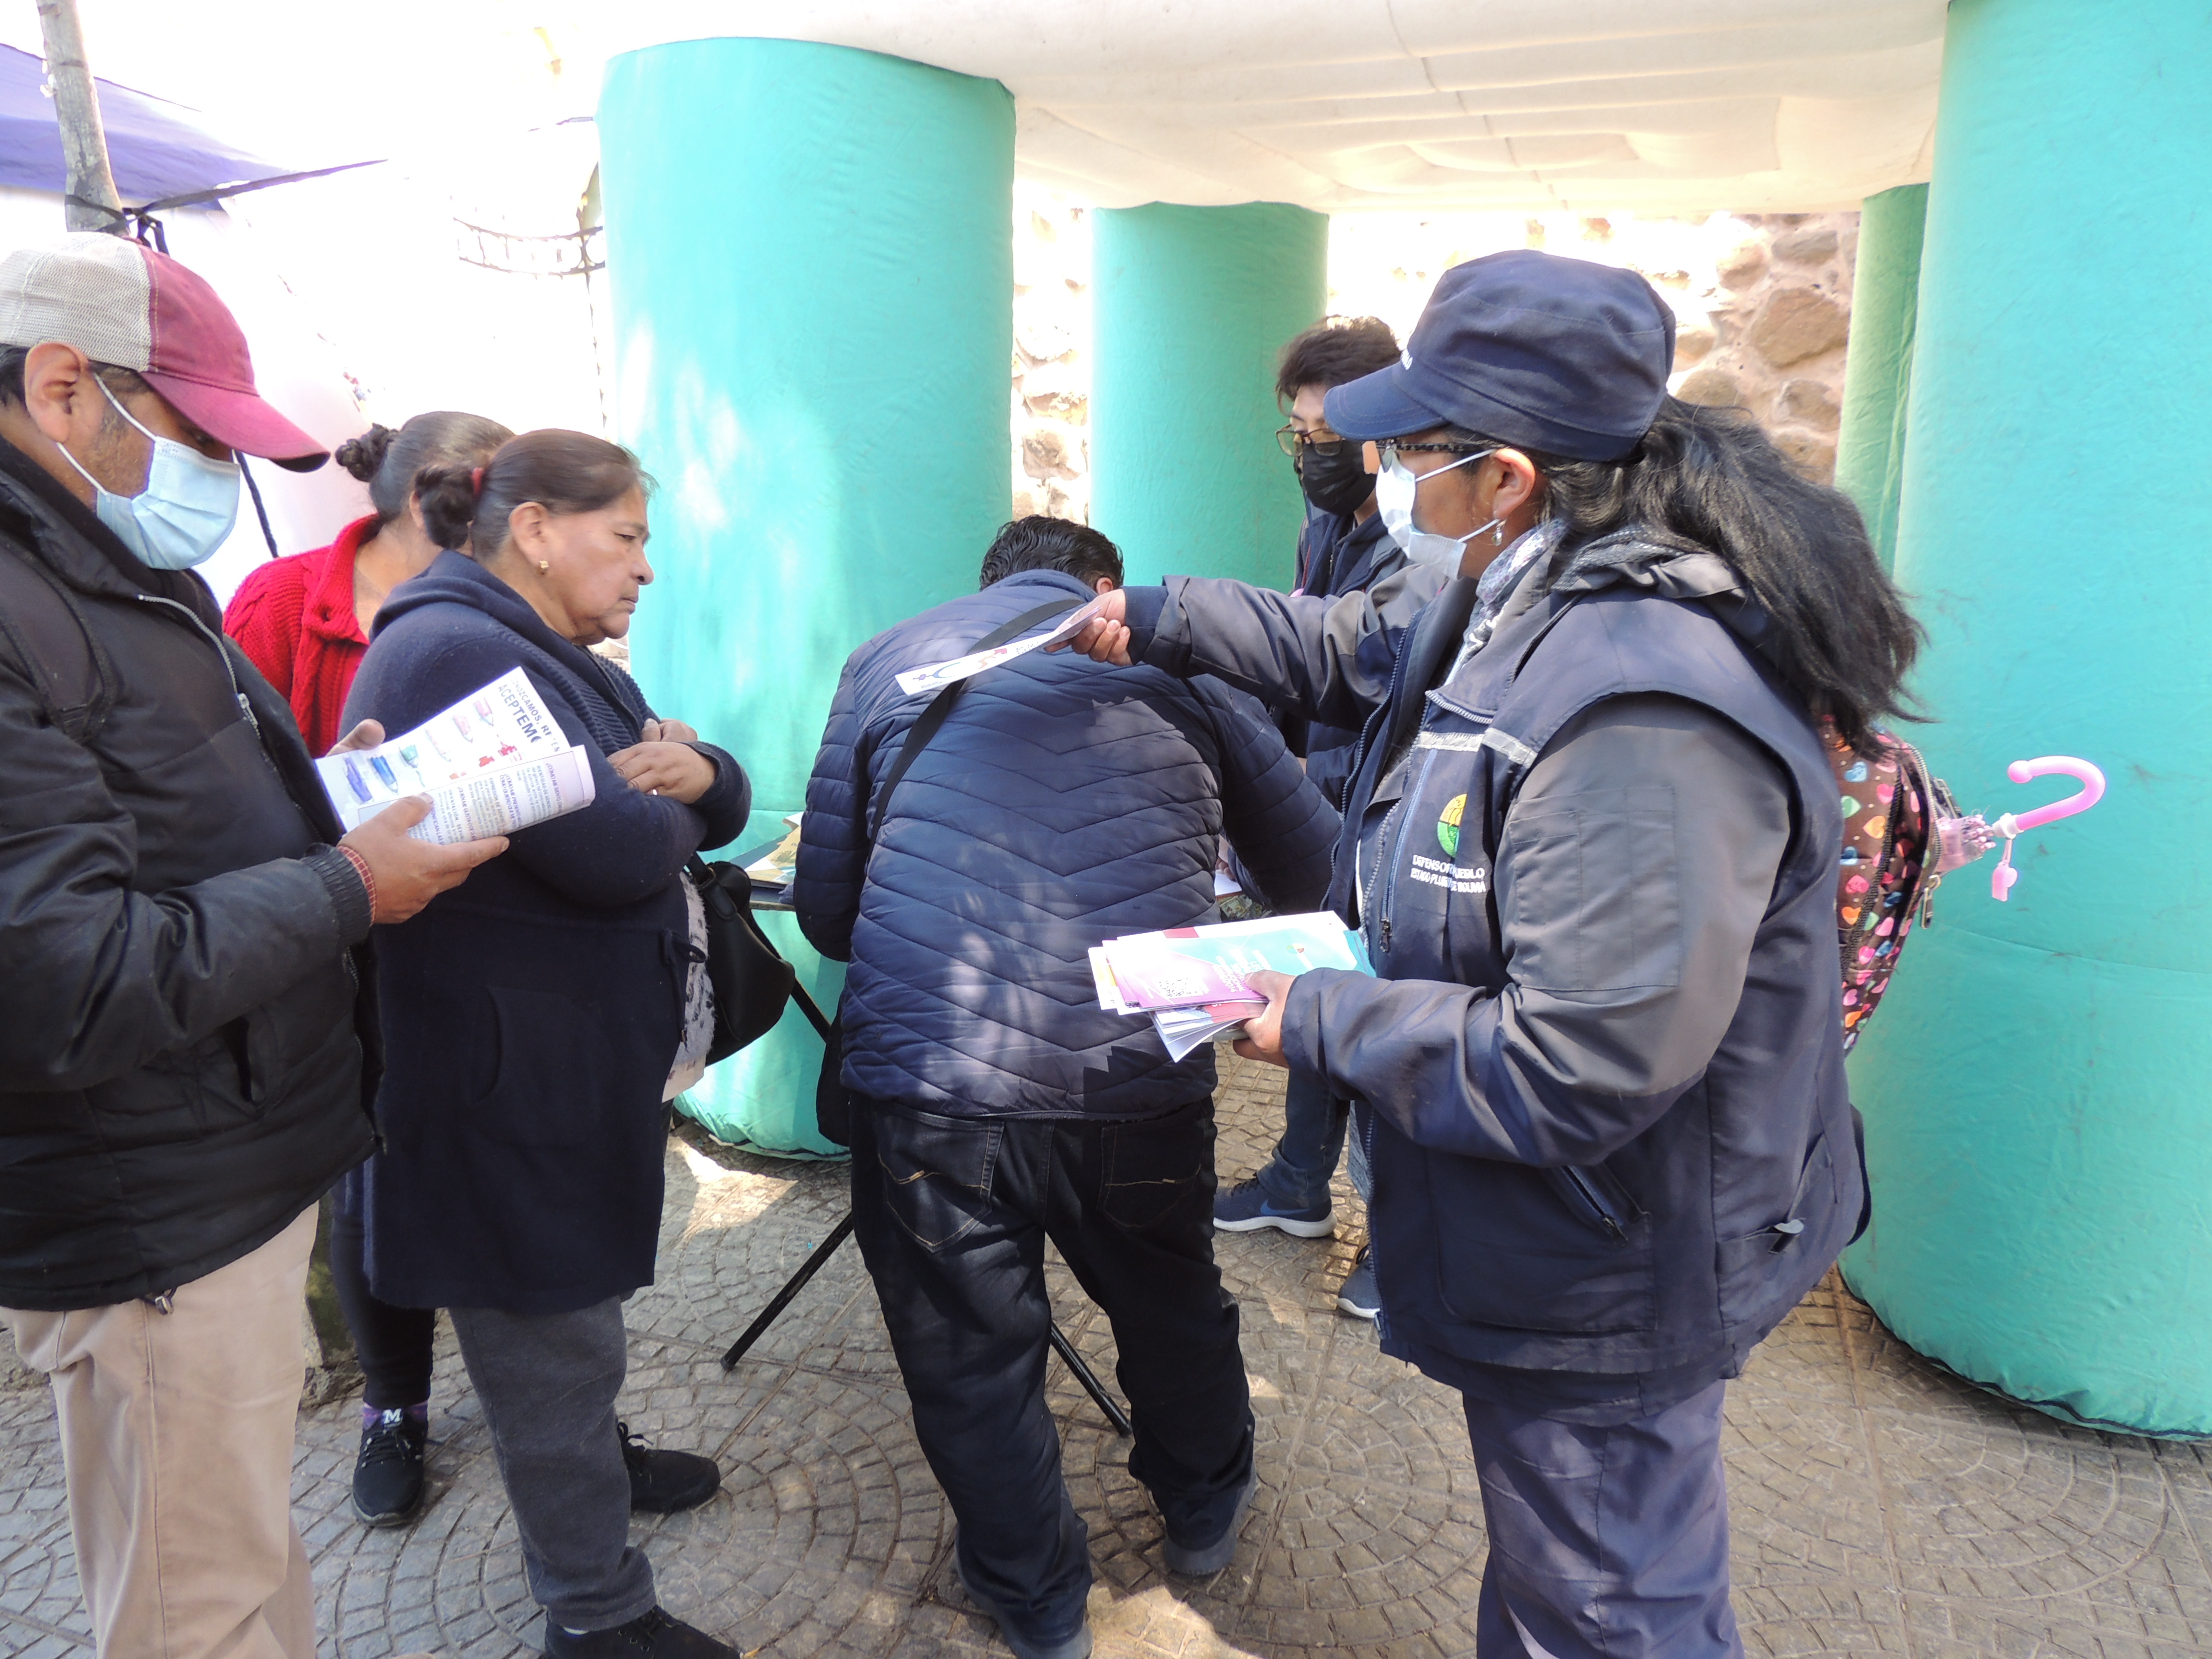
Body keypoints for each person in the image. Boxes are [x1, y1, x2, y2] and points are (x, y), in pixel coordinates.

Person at [1059, 250, 1921, 1658]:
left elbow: (1583, 1060)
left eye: (1401, 455)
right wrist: (1156, 613)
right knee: (1557, 1573)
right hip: (1574, 1231)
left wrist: (1323, 1020)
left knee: (1611, 1605)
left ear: (1505, 476)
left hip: (1617, 1262)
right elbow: (1352, 641)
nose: (1379, 485)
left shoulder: (1641, 709)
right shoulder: (1525, 590)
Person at [0, 231, 504, 1659]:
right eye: (193, 432)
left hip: (219, 1168)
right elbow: (62, 976)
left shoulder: (94, 568)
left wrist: (315, 794)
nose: (216, 478)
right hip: (147, 1202)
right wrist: (351, 885)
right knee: (192, 1611)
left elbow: (153, 819)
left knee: (242, 1566)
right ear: (61, 389)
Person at [795, 516, 1337, 1659]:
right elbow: (1315, 874)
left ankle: (1036, 1597)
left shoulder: (889, 659)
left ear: (984, 590)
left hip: (929, 1082)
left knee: (966, 1352)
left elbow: (829, 915)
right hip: (1127, 1071)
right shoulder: (1176, 656)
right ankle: (1202, 1505)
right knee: (1166, 1294)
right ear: (1106, 585)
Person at [340, 429, 751, 1659]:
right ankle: (596, 1610)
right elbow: (619, 848)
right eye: (625, 536)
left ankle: (599, 1476)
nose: (644, 569)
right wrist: (668, 793)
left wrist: (690, 774)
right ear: (532, 528)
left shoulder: (548, 654)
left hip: (556, 1064)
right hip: (501, 1081)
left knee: (572, 1323)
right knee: (549, 1342)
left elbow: (697, 788)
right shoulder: (454, 654)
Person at [225, 409, 514, 1528]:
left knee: (504, 1173)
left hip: (485, 947)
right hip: (344, 945)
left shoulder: (506, 610)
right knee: (375, 1185)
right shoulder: (284, 603)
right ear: (437, 499)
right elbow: (228, 804)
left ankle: (563, 1410)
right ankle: (394, 1405)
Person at [1216, 315, 1447, 1319]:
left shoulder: (1426, 535)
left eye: (1326, 435)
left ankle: (1400, 1250)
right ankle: (1296, 1186)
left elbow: (1374, 670)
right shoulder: (1332, 524)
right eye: (1298, 434)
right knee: (1317, 981)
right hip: (1333, 801)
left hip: (1396, 813)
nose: (1309, 455)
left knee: (1385, 1021)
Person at [227, 411, 514, 754]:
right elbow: (233, 756)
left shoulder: (507, 601)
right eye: (494, 513)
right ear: (423, 506)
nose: (511, 533)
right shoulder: (279, 596)